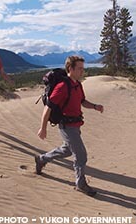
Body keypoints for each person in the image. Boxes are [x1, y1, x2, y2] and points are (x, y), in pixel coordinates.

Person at [35, 55, 104, 197]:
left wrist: (95, 106)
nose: (82, 72)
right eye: (79, 69)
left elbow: (82, 101)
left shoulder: (78, 85)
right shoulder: (62, 87)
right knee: (81, 155)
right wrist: (43, 128)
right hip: (66, 125)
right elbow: (48, 108)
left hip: (76, 124)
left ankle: (42, 159)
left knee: (67, 150)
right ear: (70, 69)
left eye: (82, 69)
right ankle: (80, 183)